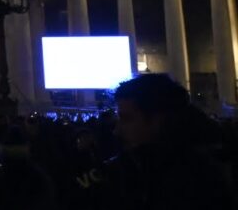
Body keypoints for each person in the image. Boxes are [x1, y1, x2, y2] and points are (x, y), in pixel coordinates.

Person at [71, 73, 235, 207]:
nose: (117, 130)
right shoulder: (122, 169)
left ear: (158, 121)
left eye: (127, 119)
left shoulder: (199, 183)